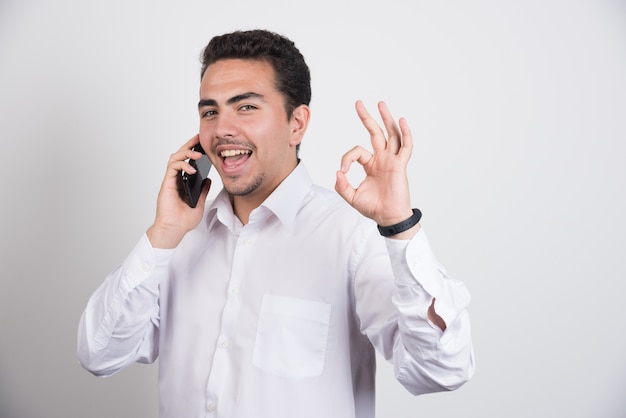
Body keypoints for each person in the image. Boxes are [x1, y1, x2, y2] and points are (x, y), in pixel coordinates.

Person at [77, 29, 474, 418]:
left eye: (246, 106)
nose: (222, 129)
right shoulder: (178, 238)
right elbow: (101, 353)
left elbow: (442, 371)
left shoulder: (351, 236)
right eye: (210, 111)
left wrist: (399, 227)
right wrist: (162, 234)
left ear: (297, 124)